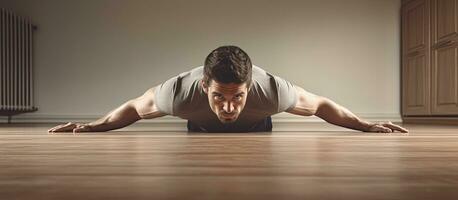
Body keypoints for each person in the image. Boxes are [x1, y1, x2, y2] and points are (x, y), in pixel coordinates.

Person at [48, 45, 409, 134]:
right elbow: (133, 108)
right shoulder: (178, 93)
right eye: (219, 96)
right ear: (204, 85)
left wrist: (367, 126)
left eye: (238, 96)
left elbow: (320, 105)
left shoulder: (272, 90)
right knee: (205, 123)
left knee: (254, 121)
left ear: (250, 86)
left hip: (259, 128)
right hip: (200, 128)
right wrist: (91, 127)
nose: (229, 106)